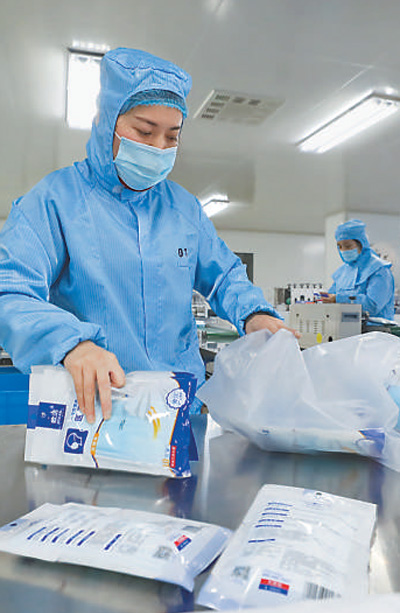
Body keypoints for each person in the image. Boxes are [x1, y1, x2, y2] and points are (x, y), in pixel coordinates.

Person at [0, 47, 298, 423]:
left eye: (172, 137)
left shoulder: (183, 209)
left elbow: (225, 275)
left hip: (177, 412)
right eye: (144, 131)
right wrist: (72, 344)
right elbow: (9, 292)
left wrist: (253, 313)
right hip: (96, 414)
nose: (158, 147)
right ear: (106, 121)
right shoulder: (54, 201)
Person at [318, 219, 395, 320]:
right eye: (340, 247)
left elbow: (372, 306)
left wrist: (338, 299)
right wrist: (324, 299)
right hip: (346, 326)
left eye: (348, 246)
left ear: (361, 244)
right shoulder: (343, 271)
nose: (343, 250)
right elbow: (331, 296)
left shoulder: (379, 270)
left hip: (376, 327)